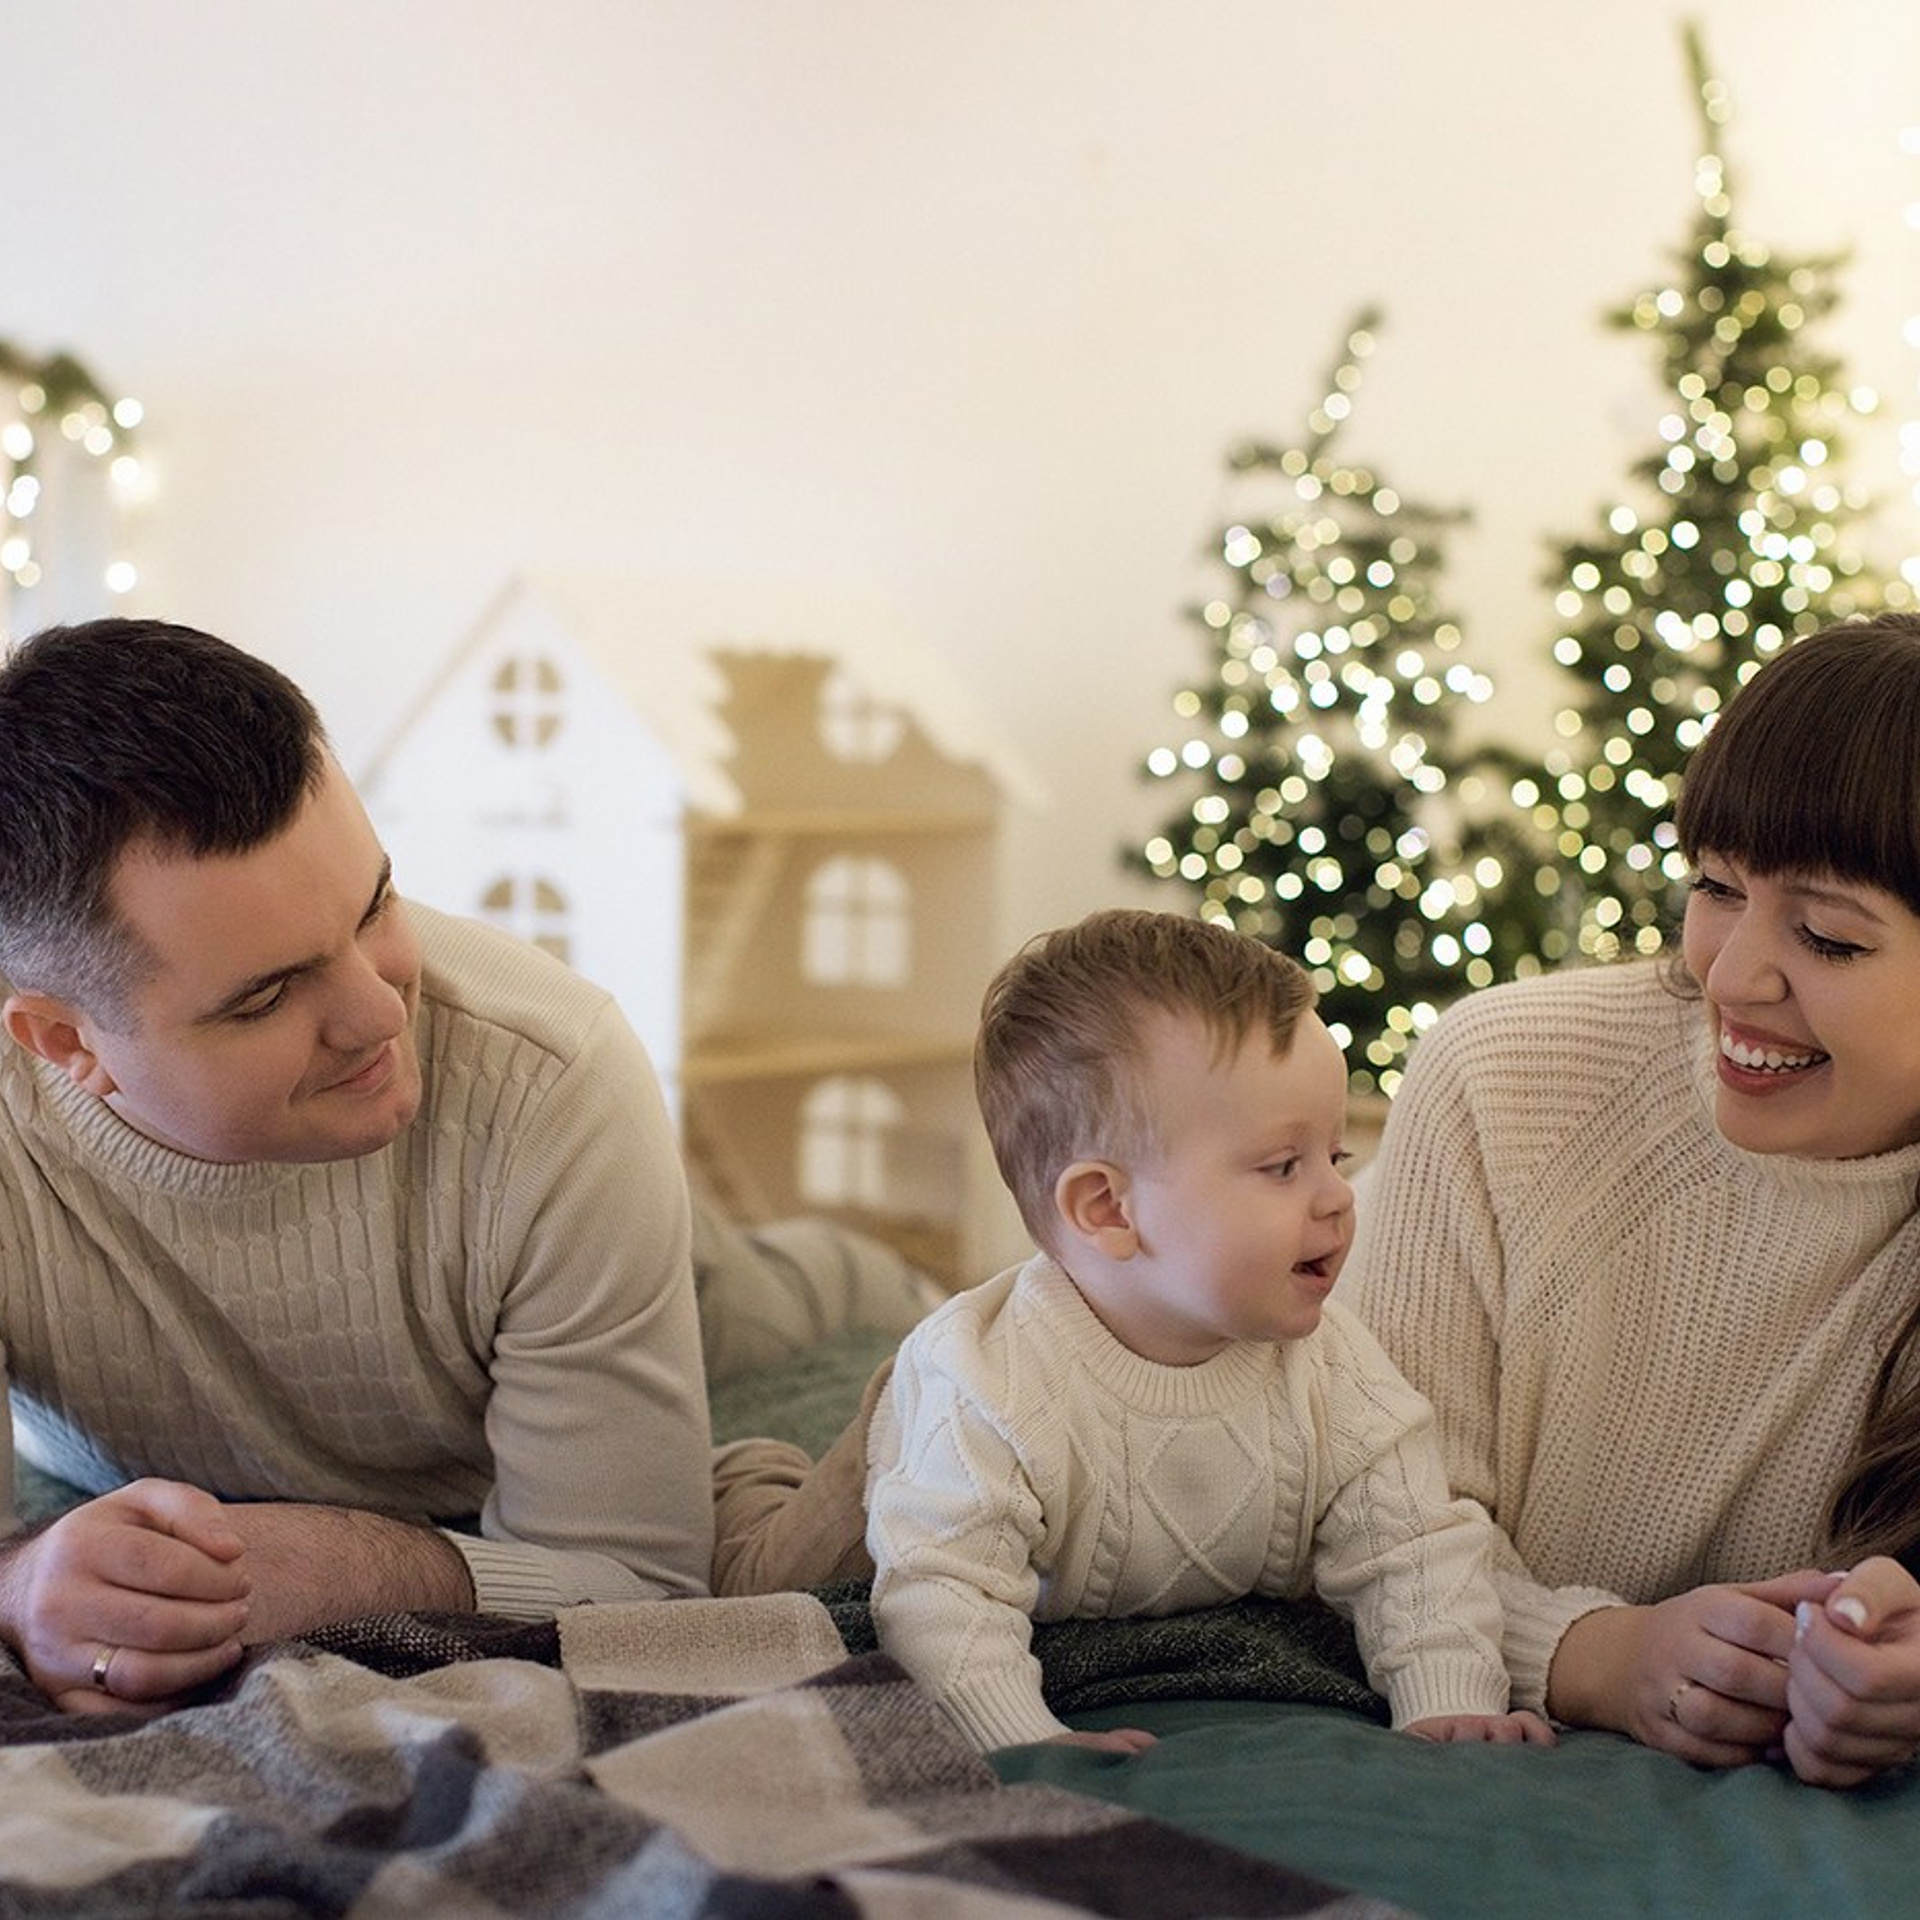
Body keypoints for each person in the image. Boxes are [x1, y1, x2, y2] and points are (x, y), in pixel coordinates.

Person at [0, 617, 838, 1720]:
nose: (380, 1012)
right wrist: (25, 1583)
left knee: (793, 1289)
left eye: (375, 905)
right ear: (64, 1042)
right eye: (266, 996)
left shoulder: (551, 1076)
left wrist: (331, 1564)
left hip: (710, 1292)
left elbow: (637, 1585)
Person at [1349, 609, 1920, 1790]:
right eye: (1716, 886)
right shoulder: (1504, 1080)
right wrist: (1597, 1656)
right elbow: (1336, 1513)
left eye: (1827, 937)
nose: (1732, 975)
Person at [864, 907, 1554, 1753]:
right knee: (779, 1561)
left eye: (1335, 1157)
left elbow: (1414, 1546)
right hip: (888, 1462)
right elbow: (939, 1590)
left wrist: (1445, 1700)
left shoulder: (1331, 1365)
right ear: (1109, 1208)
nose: (1338, 1197)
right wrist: (1019, 1737)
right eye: (1283, 1166)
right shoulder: (984, 1388)